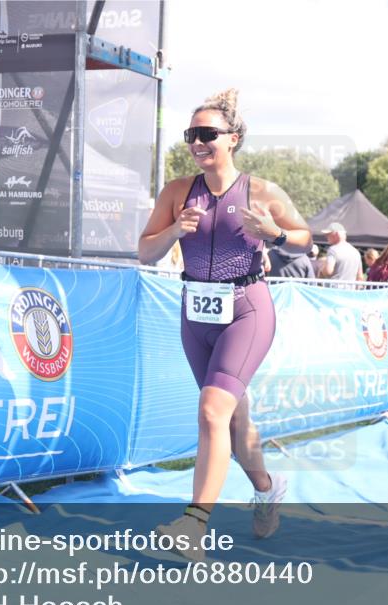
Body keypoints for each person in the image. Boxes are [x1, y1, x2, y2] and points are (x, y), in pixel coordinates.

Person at [137, 89, 312, 558]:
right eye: (191, 134)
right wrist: (175, 230)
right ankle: (267, 487)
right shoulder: (178, 192)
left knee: (212, 412)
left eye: (207, 134)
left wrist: (273, 235)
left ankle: (194, 526)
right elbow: (144, 251)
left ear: (232, 139)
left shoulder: (261, 191)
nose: (197, 142)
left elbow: (304, 240)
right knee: (232, 424)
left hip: (247, 309)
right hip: (196, 311)